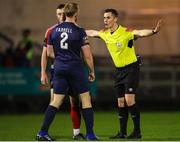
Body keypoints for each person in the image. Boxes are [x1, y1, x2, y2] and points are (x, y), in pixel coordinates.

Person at [86, 9, 161, 139]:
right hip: (119, 71)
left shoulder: (125, 32)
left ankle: (137, 132)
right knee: (120, 102)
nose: (105, 20)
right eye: (104, 18)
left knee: (129, 100)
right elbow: (92, 32)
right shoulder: (105, 33)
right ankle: (122, 133)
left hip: (131, 68)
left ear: (115, 19)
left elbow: (140, 32)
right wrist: (74, 29)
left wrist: (153, 31)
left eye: (108, 17)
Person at [36, 3, 99, 141]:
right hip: (75, 68)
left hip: (59, 67)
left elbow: (50, 52)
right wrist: (91, 70)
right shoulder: (79, 31)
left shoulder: (54, 30)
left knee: (56, 101)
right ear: (76, 13)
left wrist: (62, 57)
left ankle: (42, 132)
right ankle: (90, 134)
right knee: (85, 100)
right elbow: (87, 55)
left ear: (64, 13)